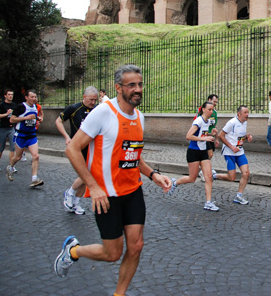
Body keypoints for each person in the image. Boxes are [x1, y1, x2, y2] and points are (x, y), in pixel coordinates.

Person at [53, 64, 172, 296]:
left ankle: (119, 294)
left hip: (133, 191)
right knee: (112, 253)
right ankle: (73, 251)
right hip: (107, 195)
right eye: (131, 85)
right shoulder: (103, 112)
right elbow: (73, 150)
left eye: (140, 84)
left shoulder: (140, 117)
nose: (137, 89)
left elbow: (133, 156)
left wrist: (153, 174)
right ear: (118, 88)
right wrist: (93, 187)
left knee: (136, 246)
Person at [55, 86, 99, 215]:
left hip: (92, 147)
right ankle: (70, 192)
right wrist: (67, 137)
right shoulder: (74, 108)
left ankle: (76, 202)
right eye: (91, 99)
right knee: (86, 174)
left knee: (88, 176)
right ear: (84, 97)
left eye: (95, 100)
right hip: (78, 148)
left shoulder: (97, 110)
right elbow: (58, 121)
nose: (93, 103)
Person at [169, 101, 219, 211]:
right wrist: (204, 139)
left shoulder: (207, 121)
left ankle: (208, 203)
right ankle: (174, 182)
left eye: (212, 109)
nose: (211, 111)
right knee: (192, 178)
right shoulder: (199, 121)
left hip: (203, 151)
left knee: (209, 177)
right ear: (203, 110)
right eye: (209, 109)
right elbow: (188, 136)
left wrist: (211, 134)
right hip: (193, 151)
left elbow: (202, 134)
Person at [214, 105, 253, 205]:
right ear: (239, 114)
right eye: (245, 113)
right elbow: (220, 135)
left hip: (239, 152)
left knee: (246, 173)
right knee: (231, 178)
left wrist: (247, 136)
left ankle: (239, 196)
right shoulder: (231, 123)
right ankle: (214, 175)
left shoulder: (245, 122)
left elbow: (239, 135)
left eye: (248, 112)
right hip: (229, 152)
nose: (247, 114)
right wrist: (231, 147)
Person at [6, 89, 43, 187]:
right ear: (26, 97)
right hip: (21, 136)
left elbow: (33, 117)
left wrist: (38, 120)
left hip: (31, 135)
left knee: (36, 156)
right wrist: (25, 118)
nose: (34, 99)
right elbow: (12, 119)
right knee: (18, 157)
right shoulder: (21, 107)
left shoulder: (36, 107)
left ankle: (34, 179)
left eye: (35, 97)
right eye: (32, 97)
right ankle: (10, 167)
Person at [0, 89, 16, 172]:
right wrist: (6, 114)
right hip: (3, 128)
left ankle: (11, 165)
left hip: (11, 128)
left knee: (13, 147)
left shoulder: (14, 105)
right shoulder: (2, 105)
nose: (11, 96)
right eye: (9, 94)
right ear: (5, 95)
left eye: (12, 94)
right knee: (1, 147)